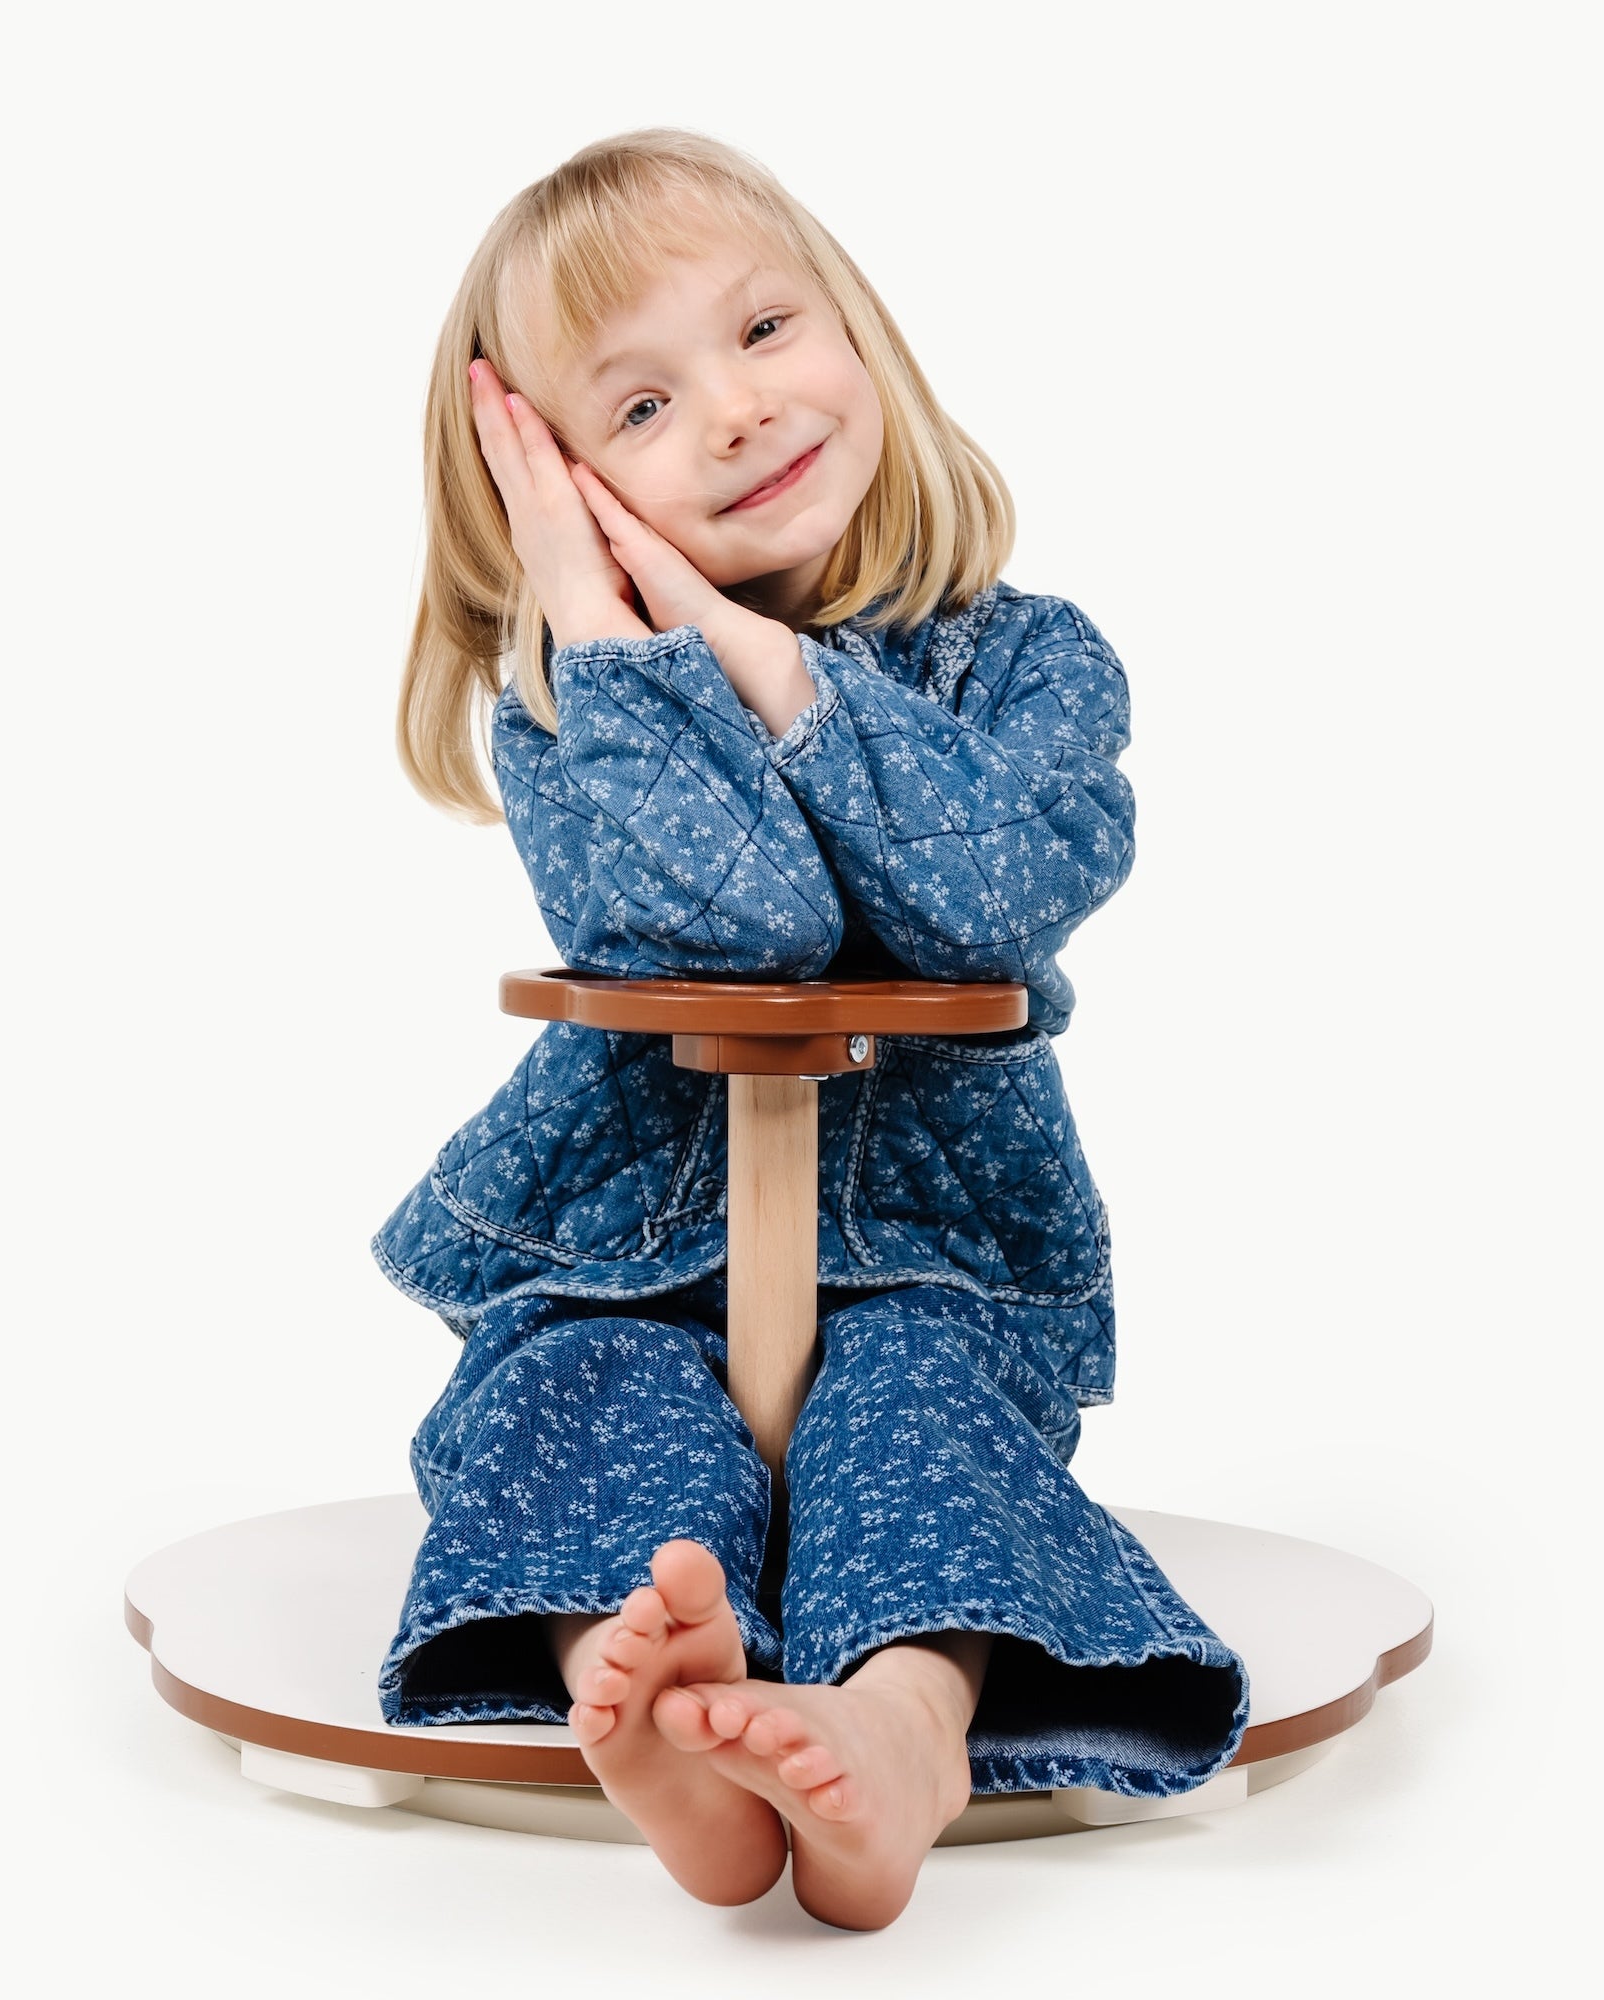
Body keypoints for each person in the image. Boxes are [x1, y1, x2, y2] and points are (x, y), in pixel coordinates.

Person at [368, 127, 1249, 1931]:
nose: (737, 412)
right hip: (623, 1245)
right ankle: (657, 1702)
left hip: (935, 1243)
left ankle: (902, 1739)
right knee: (568, 1404)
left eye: (766, 330)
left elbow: (985, 896)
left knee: (931, 1432)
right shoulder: (573, 698)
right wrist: (625, 634)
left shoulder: (1032, 667)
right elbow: (739, 928)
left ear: (859, 332)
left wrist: (752, 645)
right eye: (633, 414)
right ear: (557, 496)